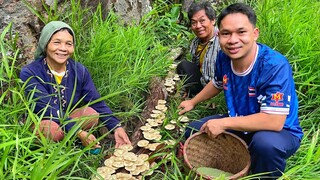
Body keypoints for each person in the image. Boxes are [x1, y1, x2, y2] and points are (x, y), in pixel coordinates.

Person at [179, 3, 303, 178]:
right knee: (193, 130)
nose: (232, 40)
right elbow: (217, 83)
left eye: (241, 32)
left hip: (280, 131)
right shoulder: (224, 57)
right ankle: (237, 161)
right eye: (226, 33)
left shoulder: (273, 65)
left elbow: (274, 121)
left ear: (255, 33)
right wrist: (192, 102)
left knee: (265, 144)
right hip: (240, 120)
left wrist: (224, 123)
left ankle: (264, 173)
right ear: (219, 34)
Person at [20, 21, 131, 149]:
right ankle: (50, 151)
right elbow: (47, 109)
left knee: (91, 114)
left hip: (67, 119)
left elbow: (96, 101)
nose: (63, 48)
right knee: (52, 131)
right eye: (56, 42)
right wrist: (78, 131)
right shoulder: (30, 72)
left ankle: (70, 141)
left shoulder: (79, 71)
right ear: (45, 45)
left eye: (69, 44)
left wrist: (116, 127)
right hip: (43, 122)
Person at [176, 1, 220, 98]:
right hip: (203, 80)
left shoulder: (222, 39)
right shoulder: (196, 41)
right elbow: (195, 65)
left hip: (219, 85)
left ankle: (209, 97)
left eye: (202, 21)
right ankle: (193, 93)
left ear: (213, 20)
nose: (198, 26)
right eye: (194, 23)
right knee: (183, 66)